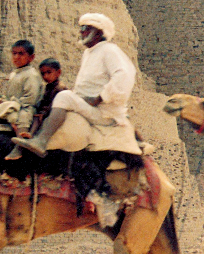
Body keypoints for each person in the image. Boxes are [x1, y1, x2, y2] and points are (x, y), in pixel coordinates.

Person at [11, 14, 136, 158]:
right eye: (81, 28)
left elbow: (124, 75)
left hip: (104, 112)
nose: (82, 32)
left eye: (86, 28)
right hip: (91, 106)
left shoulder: (109, 50)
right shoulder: (89, 53)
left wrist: (100, 98)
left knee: (63, 96)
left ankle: (41, 141)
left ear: (100, 32)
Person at [0, 39, 44, 137]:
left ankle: (21, 146)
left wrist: (13, 103)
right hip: (13, 106)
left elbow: (30, 99)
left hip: (25, 108)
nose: (16, 57)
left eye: (21, 54)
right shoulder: (14, 73)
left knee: (23, 118)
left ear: (31, 57)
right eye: (14, 53)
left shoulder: (31, 75)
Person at [29, 58, 64, 135]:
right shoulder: (48, 87)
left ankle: (31, 135)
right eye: (43, 74)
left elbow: (53, 105)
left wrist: (43, 114)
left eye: (49, 72)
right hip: (45, 112)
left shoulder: (59, 88)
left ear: (58, 72)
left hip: (53, 114)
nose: (45, 76)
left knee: (37, 119)